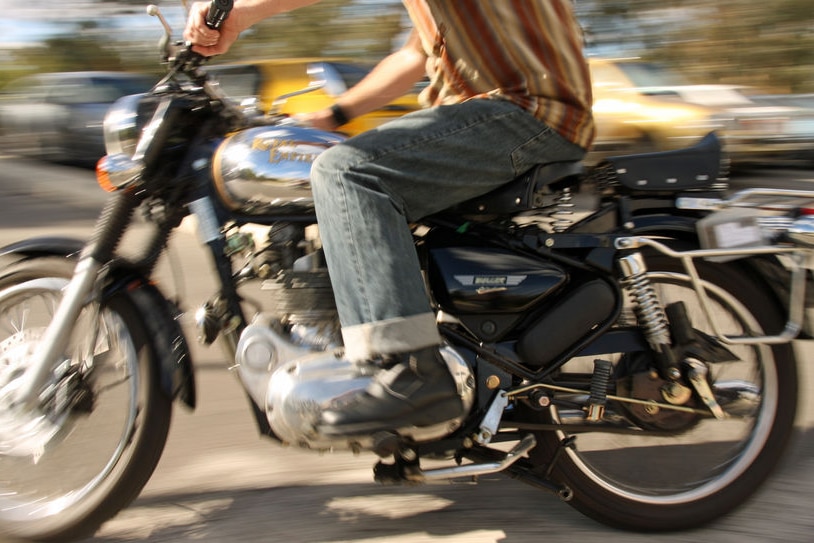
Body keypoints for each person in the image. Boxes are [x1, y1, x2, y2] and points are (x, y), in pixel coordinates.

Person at [185, 0, 595, 437]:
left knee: (347, 174)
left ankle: (414, 369)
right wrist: (331, 116)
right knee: (340, 174)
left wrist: (243, 12)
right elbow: (414, 55)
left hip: (528, 110)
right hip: (487, 113)